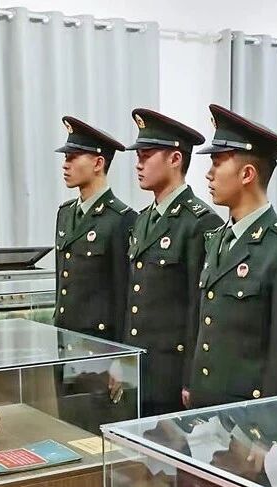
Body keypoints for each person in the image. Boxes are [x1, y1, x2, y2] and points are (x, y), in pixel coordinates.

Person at [187, 104, 277, 409]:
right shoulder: (218, 239)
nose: (208, 174)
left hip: (248, 413)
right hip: (207, 405)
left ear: (247, 174)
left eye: (217, 163)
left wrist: (268, 422)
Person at [123, 108, 222, 417]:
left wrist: (191, 377)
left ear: (175, 159)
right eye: (138, 156)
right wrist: (122, 361)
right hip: (139, 367)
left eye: (146, 156)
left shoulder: (199, 222)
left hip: (171, 371)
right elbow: (134, 299)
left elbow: (199, 307)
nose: (138, 164)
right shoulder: (143, 220)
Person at [54, 116, 136, 341]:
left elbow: (123, 293)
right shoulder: (65, 213)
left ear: (98, 163)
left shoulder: (121, 219)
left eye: (73, 157)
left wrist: (121, 353)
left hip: (99, 342)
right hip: (65, 336)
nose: (65, 164)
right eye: (65, 157)